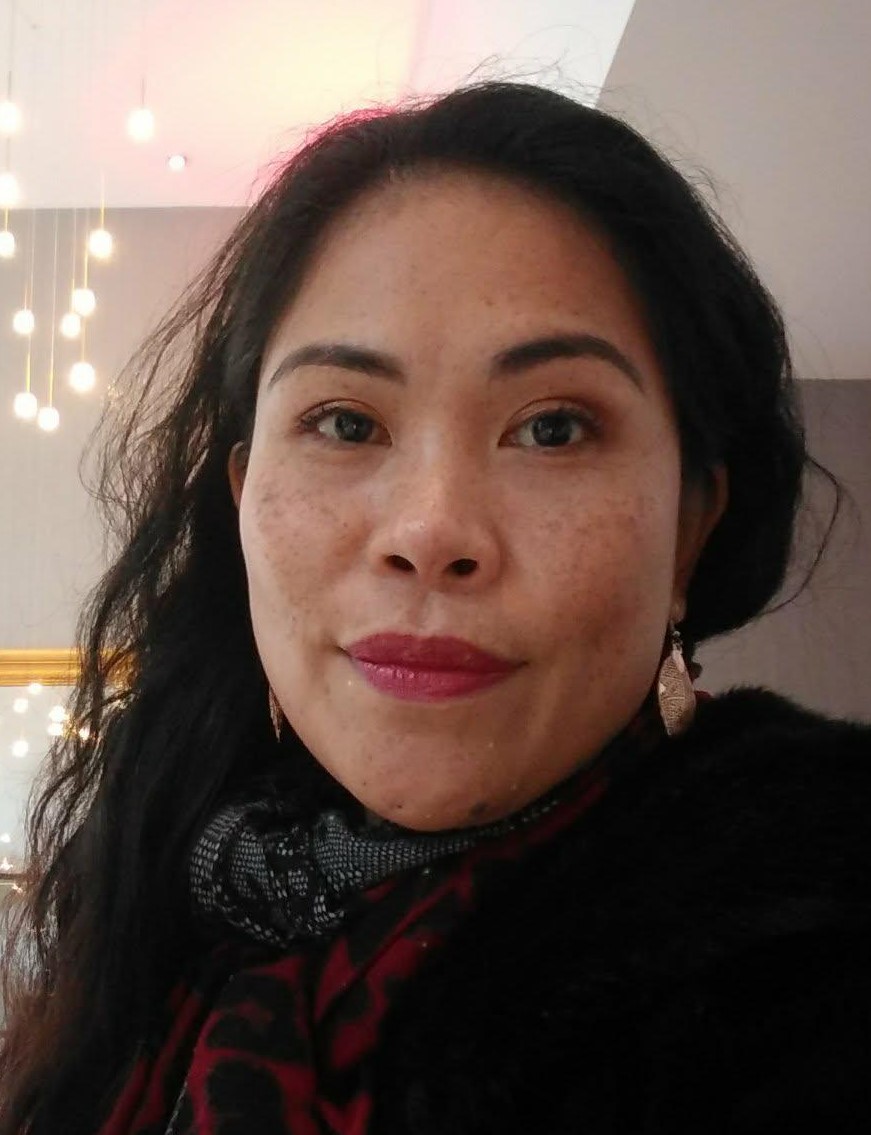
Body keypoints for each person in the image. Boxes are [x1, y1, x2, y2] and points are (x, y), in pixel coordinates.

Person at [1, 80, 869, 1135]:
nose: (430, 529)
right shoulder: (160, 910)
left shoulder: (808, 947)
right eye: (345, 422)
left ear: (690, 527)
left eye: (552, 428)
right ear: (241, 498)